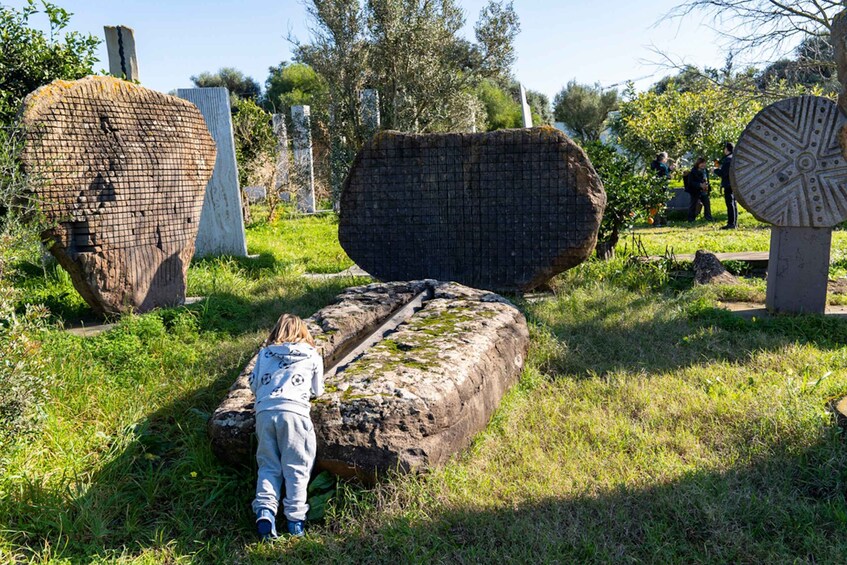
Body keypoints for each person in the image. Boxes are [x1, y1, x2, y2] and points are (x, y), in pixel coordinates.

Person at [250, 313, 324, 540]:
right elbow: (317, 390)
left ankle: (265, 511)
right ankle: (295, 523)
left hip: (264, 413)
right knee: (297, 468)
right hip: (294, 414)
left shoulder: (264, 354)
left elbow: (253, 384)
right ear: (304, 332)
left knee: (268, 465)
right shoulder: (312, 354)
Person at [713, 142, 737, 229]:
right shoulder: (734, 158)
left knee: (730, 203)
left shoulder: (728, 160)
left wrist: (715, 170)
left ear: (727, 149)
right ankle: (734, 223)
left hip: (728, 184)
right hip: (734, 183)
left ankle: (731, 224)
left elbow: (723, 173)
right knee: (733, 203)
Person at [686, 157, 713, 222]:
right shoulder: (693, 171)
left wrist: (707, 186)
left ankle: (708, 217)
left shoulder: (705, 171)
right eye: (701, 163)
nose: (703, 165)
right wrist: (700, 185)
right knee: (693, 204)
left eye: (704, 163)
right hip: (695, 190)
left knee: (707, 203)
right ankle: (691, 219)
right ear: (698, 164)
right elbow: (691, 182)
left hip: (704, 190)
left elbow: (707, 179)